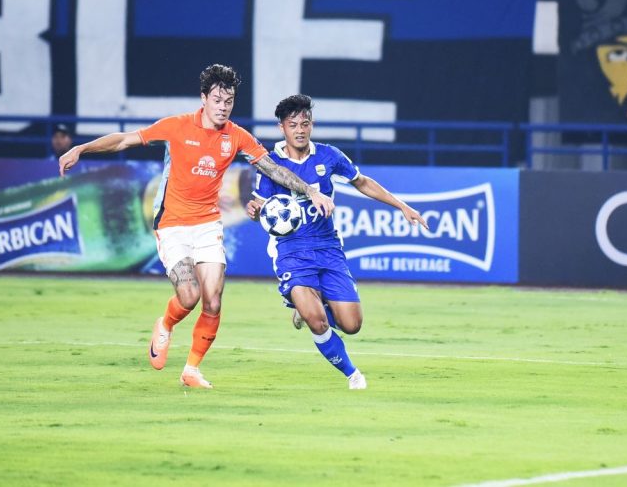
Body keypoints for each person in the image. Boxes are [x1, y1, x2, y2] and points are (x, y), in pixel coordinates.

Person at [59, 65, 335, 389]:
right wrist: (81, 148)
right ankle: (165, 324)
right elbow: (123, 141)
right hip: (172, 223)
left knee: (214, 300)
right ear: (203, 98)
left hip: (207, 224)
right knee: (188, 296)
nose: (223, 107)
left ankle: (191, 369)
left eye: (229, 101)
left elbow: (273, 168)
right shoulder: (176, 127)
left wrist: (311, 190)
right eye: (217, 99)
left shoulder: (235, 136)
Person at [246, 94, 428, 390]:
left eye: (305, 123)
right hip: (291, 251)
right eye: (293, 125)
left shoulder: (328, 155)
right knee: (318, 323)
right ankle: (353, 375)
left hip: (328, 247)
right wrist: (253, 210)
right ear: (282, 128)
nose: (300, 130)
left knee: (352, 325)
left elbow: (362, 182)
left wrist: (402, 206)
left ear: (312, 125)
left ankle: (306, 306)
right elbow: (258, 207)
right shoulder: (271, 164)